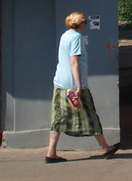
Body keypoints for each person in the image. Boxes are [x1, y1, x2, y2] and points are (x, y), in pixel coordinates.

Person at [46, 11, 121, 163]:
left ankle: (50, 153)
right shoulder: (76, 37)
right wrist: (79, 86)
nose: (86, 24)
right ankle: (105, 148)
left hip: (60, 83)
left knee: (58, 118)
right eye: (84, 22)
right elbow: (74, 62)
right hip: (73, 85)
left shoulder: (65, 35)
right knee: (90, 114)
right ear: (80, 23)